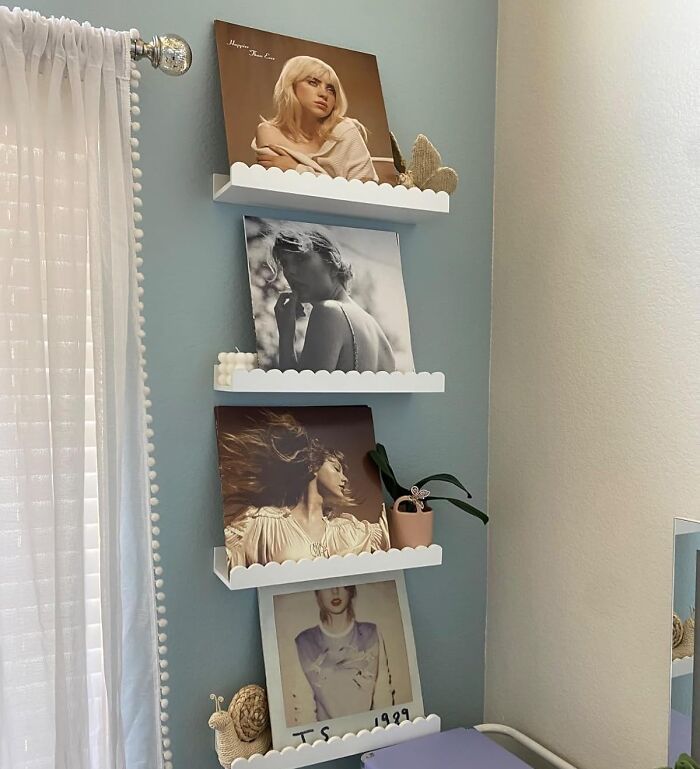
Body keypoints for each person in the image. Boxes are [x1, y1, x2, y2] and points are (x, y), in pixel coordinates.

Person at [220, 411, 389, 568]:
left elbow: (390, 531)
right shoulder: (262, 523)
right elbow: (224, 564)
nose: (344, 478)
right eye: (337, 469)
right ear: (313, 465)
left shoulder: (348, 531)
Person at [268, 224, 396, 373]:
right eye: (284, 264)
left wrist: (286, 337)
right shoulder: (378, 333)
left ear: (332, 263)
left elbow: (299, 394)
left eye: (300, 259)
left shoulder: (328, 312)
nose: (290, 272)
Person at [252, 55, 379, 183]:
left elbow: (366, 193)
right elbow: (281, 187)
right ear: (291, 85)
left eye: (331, 90)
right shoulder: (269, 132)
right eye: (313, 83)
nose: (324, 94)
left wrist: (297, 169)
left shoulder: (345, 132)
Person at [291, 586, 395, 724]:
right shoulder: (305, 643)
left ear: (351, 590)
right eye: (327, 585)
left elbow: (383, 698)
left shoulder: (371, 634)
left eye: (341, 583)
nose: (335, 591)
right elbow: (304, 710)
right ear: (317, 592)